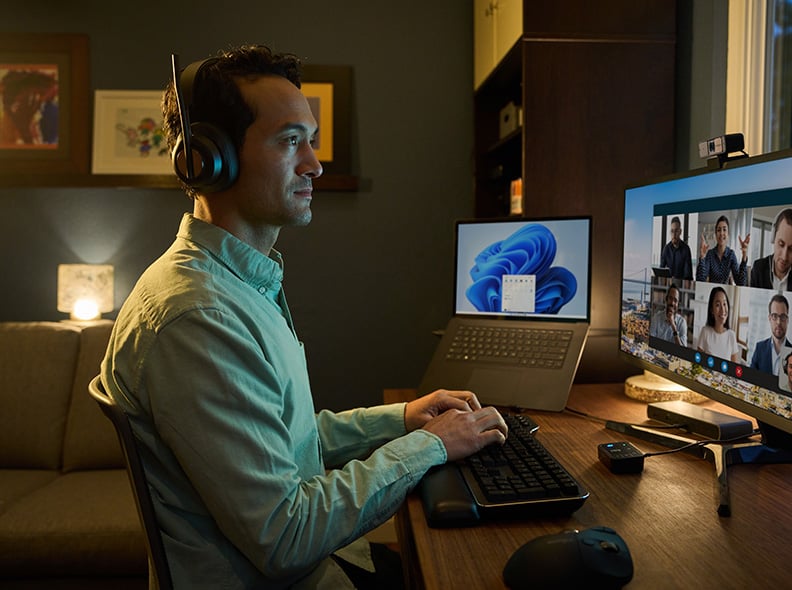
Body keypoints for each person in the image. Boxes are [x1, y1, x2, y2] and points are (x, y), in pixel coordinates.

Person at [101, 45, 508, 590]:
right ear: (209, 158)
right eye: (291, 142)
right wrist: (433, 446)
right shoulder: (197, 317)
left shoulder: (238, 283)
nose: (315, 163)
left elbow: (287, 444)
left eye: (310, 141)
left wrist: (403, 419)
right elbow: (284, 537)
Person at [696, 215, 749, 285]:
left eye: (724, 230)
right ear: (715, 234)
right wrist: (702, 257)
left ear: (728, 234)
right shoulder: (710, 254)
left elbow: (740, 283)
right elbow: (700, 280)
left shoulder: (731, 254)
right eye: (718, 230)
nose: (721, 233)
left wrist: (744, 255)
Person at [750, 208, 792, 290]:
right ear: (773, 237)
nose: (784, 257)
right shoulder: (758, 269)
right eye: (781, 244)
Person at [697, 286, 742, 363]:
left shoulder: (731, 335)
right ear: (711, 310)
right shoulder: (705, 331)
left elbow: (735, 367)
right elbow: (698, 362)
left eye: (724, 304)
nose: (723, 309)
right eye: (718, 305)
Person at [750, 294, 792, 375]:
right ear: (769, 318)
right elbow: (751, 378)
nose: (778, 322)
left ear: (787, 320)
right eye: (774, 316)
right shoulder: (759, 348)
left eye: (783, 317)